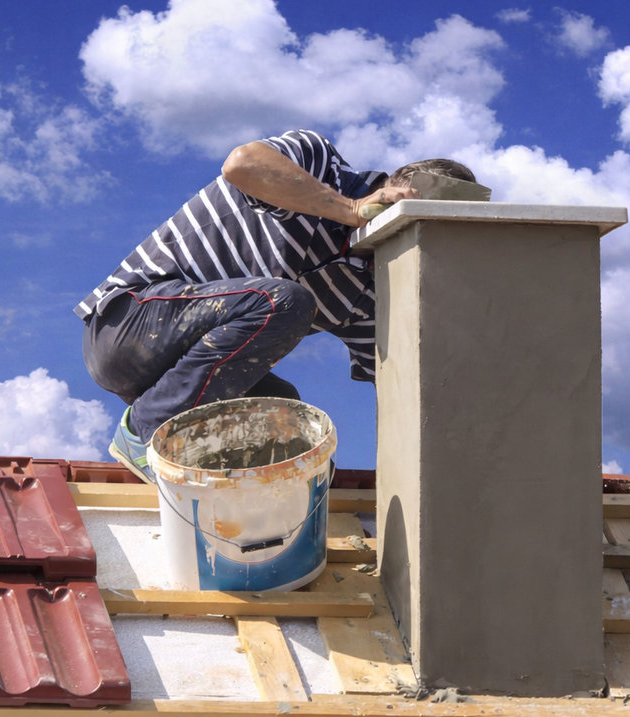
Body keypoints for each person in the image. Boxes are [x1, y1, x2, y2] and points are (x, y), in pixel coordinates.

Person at [76, 128, 476, 482]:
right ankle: (146, 431)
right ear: (392, 190)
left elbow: (400, 394)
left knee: (292, 440)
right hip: (127, 325)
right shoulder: (320, 165)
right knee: (285, 301)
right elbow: (242, 164)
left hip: (182, 373)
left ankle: (206, 476)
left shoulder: (371, 294)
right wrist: (351, 210)